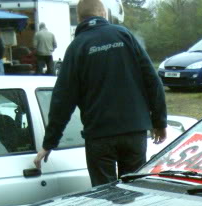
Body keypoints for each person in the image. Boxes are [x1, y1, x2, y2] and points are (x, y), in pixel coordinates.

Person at [33, 0, 167, 186]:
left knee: (105, 197)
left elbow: (62, 100)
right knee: (135, 192)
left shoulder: (76, 47)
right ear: (104, 14)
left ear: (79, 18)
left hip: (99, 136)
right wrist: (159, 122)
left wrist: (49, 143)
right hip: (133, 132)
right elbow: (153, 82)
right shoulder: (124, 35)